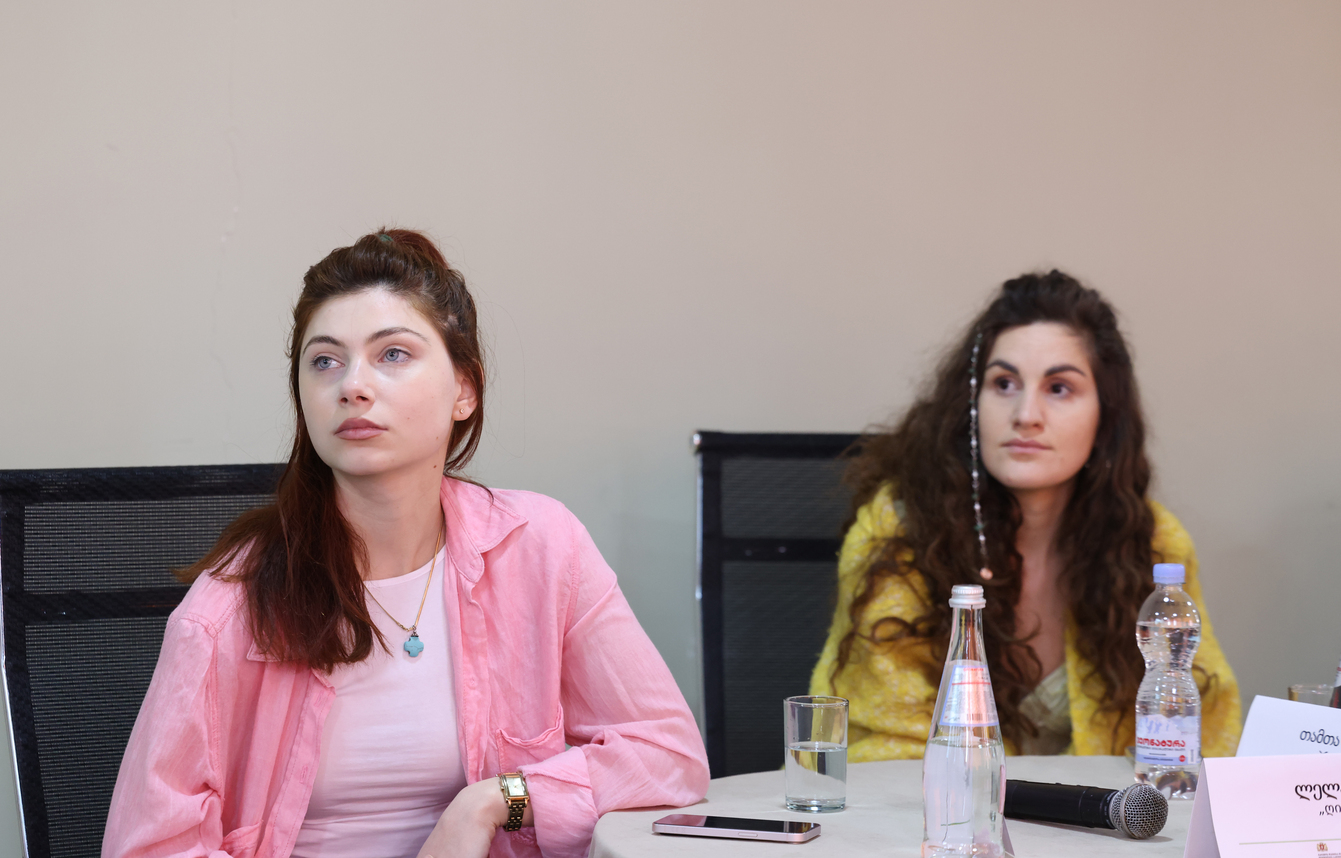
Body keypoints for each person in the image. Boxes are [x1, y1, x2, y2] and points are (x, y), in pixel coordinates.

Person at [102, 229, 709, 858]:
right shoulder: (230, 605)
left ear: (465, 390)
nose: (352, 386)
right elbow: (148, 847)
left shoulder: (540, 547)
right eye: (325, 361)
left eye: (393, 354)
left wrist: (494, 801)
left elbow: (667, 754)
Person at [809, 270, 1241, 761]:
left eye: (1059, 388)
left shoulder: (1153, 541)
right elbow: (893, 750)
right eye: (1004, 383)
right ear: (971, 405)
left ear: (1106, 417)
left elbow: (1200, 730)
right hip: (933, 806)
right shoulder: (900, 529)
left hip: (1102, 812)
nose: (1026, 414)